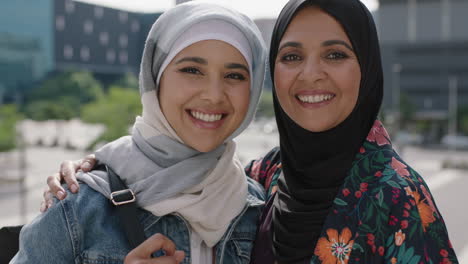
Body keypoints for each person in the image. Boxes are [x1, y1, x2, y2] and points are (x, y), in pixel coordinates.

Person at [43, 0, 459, 263]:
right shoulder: (261, 180)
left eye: (335, 54)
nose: (310, 75)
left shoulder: (398, 199)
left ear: (366, 68)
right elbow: (173, 164)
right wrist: (98, 167)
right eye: (292, 55)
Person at [10, 2, 268, 264]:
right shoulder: (78, 208)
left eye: (234, 75)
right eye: (192, 70)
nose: (214, 95)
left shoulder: (258, 208)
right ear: (156, 77)